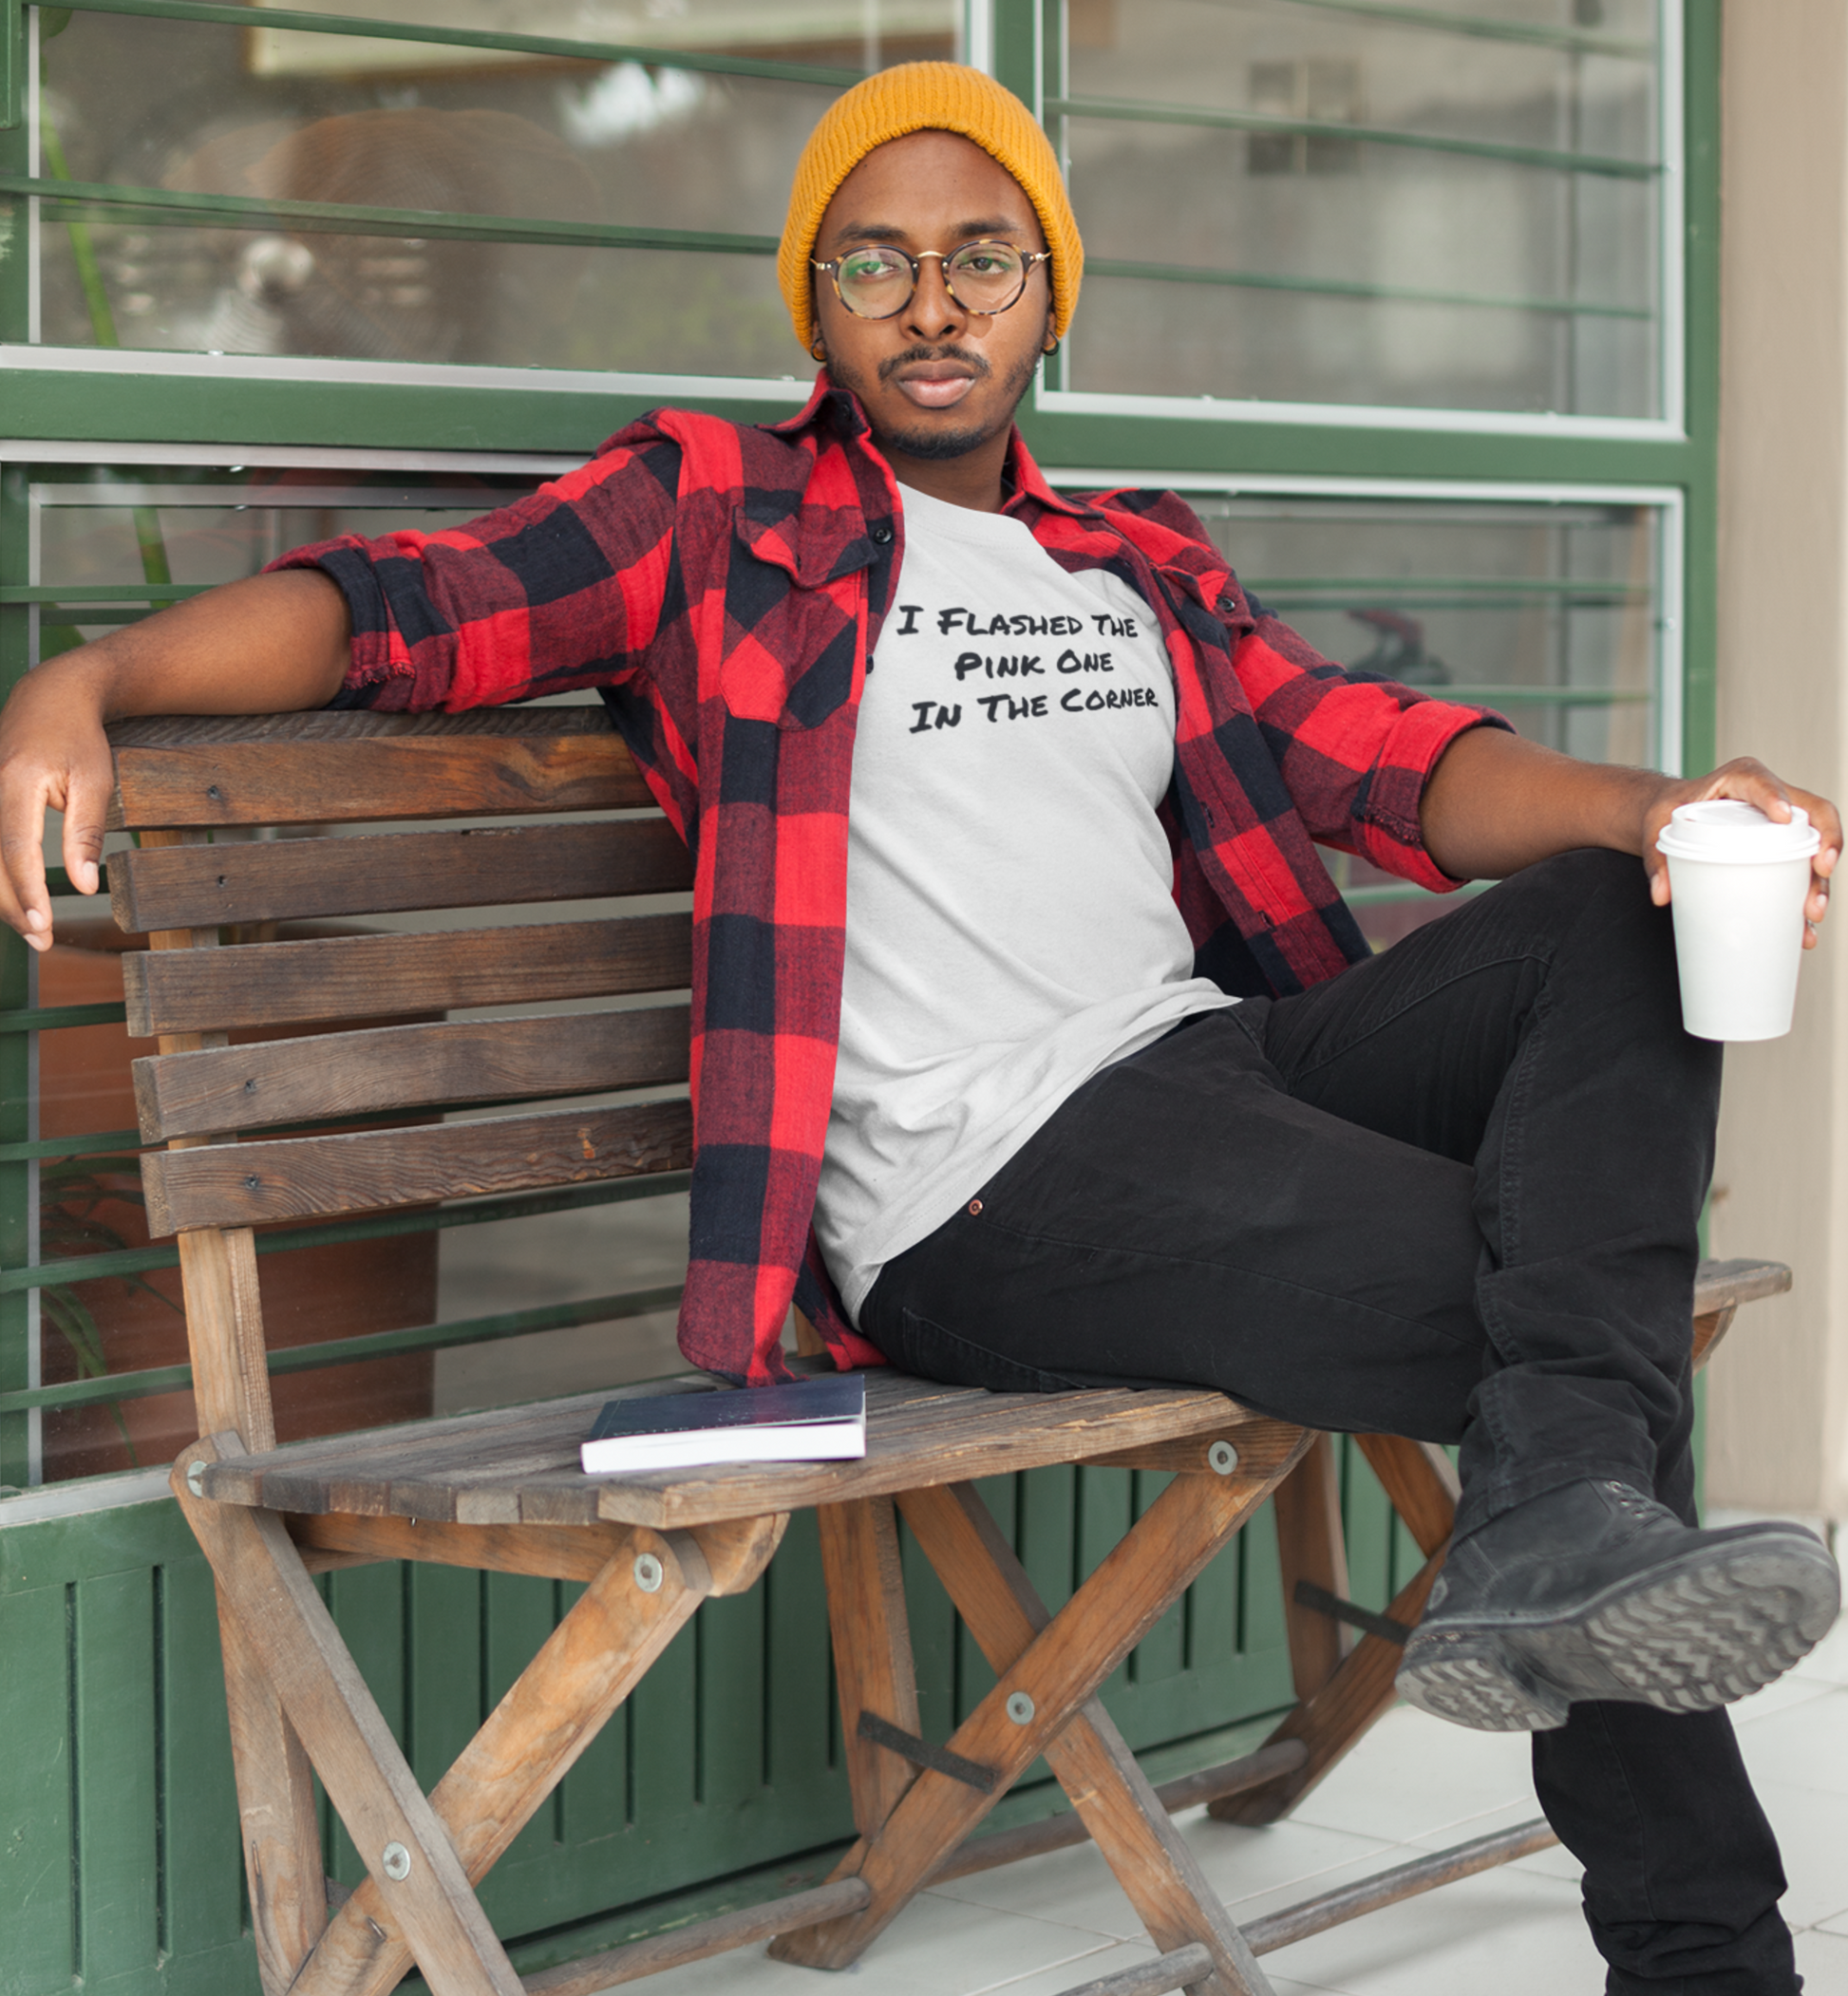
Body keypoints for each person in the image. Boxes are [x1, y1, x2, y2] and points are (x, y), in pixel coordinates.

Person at [0, 62, 1837, 1994]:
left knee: (1608, 938)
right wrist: (91, 673)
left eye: (982, 259)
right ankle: (1700, 1941)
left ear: (1052, 295)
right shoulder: (712, 513)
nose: (933, 304)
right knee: (1565, 1313)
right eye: (875, 263)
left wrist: (1657, 813)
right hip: (979, 1187)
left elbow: (1382, 762)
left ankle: (1559, 1527)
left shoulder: (1135, 559)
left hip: (1205, 1065)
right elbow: (400, 604)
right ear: (816, 305)